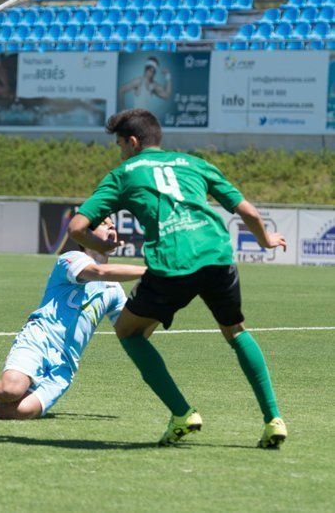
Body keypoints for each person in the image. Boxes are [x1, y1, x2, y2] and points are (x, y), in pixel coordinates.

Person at [68, 108, 288, 448]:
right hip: (217, 254)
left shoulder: (124, 173)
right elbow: (248, 211)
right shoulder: (194, 163)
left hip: (173, 264)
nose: (120, 152)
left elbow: (77, 228)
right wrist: (266, 240)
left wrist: (101, 244)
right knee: (235, 331)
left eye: (119, 145)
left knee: (128, 331)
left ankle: (183, 413)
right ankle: (273, 419)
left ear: (132, 141)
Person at [0, 218, 146, 420]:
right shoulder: (71, 259)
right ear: (87, 236)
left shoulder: (115, 290)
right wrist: (150, 271)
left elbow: (132, 331)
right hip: (39, 338)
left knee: (23, 411)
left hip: (65, 365)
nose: (112, 229)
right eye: (106, 225)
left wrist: (162, 301)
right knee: (11, 389)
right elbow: (99, 272)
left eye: (114, 226)